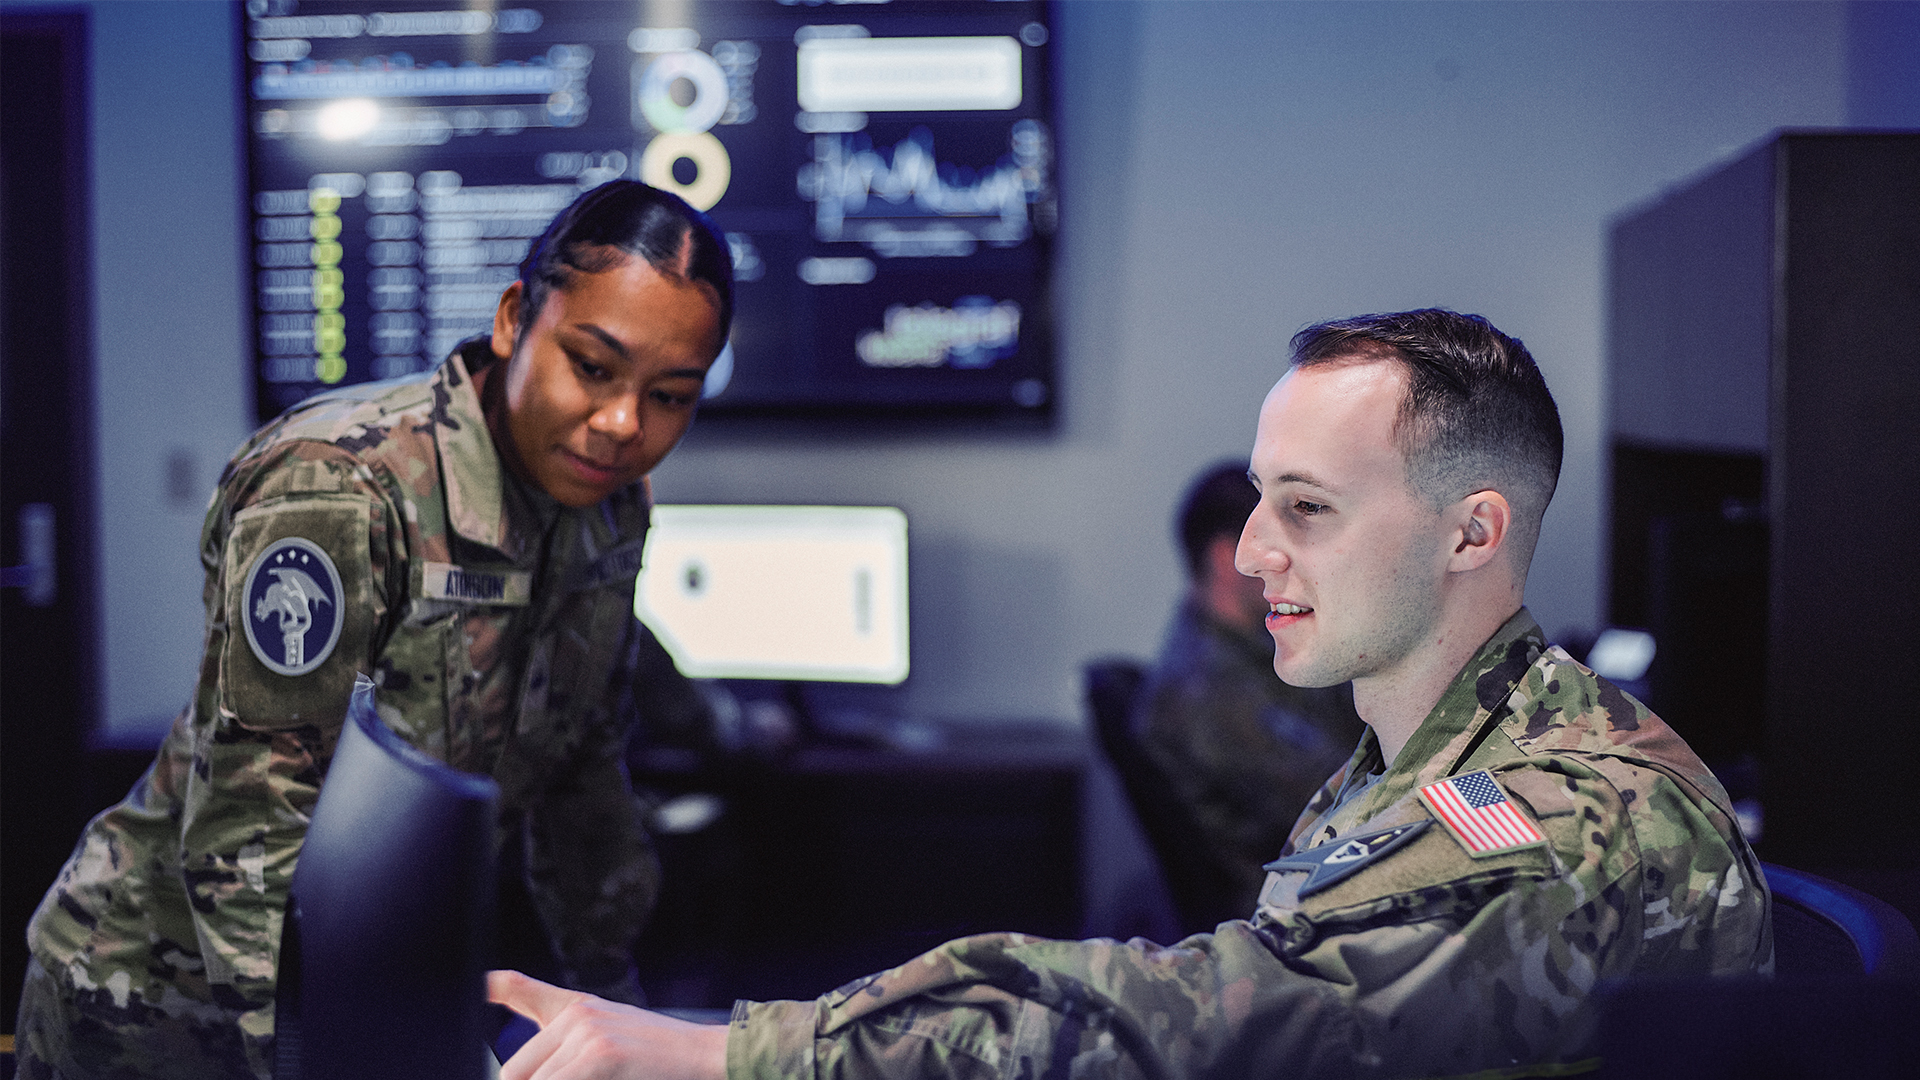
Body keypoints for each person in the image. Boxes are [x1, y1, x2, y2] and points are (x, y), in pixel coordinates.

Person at [484, 308, 1772, 1079]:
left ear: (1471, 533)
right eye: (1262, 501)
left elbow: (1217, 1026)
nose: (1256, 551)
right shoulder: (1420, 749)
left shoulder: (1559, 824)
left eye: (1308, 510)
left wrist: (728, 1053)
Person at [16, 180, 734, 1080]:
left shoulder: (607, 507)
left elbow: (582, 766)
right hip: (159, 1007)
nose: (623, 423)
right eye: (591, 366)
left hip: (380, 994)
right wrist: (306, 1057)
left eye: (669, 395)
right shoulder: (342, 484)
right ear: (515, 319)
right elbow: (253, 821)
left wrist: (622, 1013)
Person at [1133, 462, 1365, 926]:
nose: (1298, 564)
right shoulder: (1213, 692)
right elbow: (1347, 805)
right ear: (1227, 557)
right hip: (1293, 913)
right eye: (1281, 547)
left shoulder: (1254, 651)